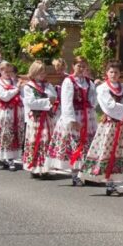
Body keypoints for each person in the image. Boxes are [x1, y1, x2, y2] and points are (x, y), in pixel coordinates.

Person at [81, 61, 123, 195]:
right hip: (110, 125)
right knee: (108, 151)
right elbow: (108, 105)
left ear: (120, 74)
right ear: (107, 73)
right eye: (111, 72)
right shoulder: (103, 88)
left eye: (116, 72)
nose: (113, 74)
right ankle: (110, 183)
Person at [46, 56, 97, 185]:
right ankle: (75, 174)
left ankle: (85, 173)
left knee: (87, 144)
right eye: (79, 66)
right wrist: (71, 120)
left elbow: (93, 99)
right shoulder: (69, 81)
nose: (81, 69)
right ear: (73, 66)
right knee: (76, 144)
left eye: (84, 66)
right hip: (75, 116)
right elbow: (66, 101)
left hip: (87, 116)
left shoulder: (88, 82)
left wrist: (90, 105)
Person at [21, 61, 57, 177]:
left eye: (43, 72)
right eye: (39, 72)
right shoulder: (28, 86)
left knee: (46, 141)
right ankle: (35, 167)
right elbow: (31, 103)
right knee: (35, 141)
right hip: (36, 118)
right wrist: (47, 101)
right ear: (34, 72)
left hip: (47, 117)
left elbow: (54, 97)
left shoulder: (47, 85)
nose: (42, 74)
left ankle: (45, 168)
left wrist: (48, 100)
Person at [0, 62, 24, 170]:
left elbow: (22, 95)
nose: (8, 73)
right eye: (5, 71)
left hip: (16, 111)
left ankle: (12, 156)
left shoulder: (15, 81)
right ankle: (7, 158)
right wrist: (16, 89)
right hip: (5, 112)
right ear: (0, 71)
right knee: (5, 134)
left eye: (10, 71)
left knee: (15, 134)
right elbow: (4, 96)